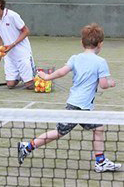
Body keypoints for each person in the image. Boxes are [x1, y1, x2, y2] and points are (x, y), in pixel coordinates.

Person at [18, 23, 122, 173]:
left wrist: (47, 77)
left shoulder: (75, 58)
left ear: (82, 43)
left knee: (98, 128)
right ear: (100, 44)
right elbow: (103, 85)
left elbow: (61, 72)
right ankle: (27, 147)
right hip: (79, 107)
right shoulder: (101, 62)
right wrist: (111, 83)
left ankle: (100, 161)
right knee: (59, 132)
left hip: (79, 105)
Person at [0, 0, 35, 89]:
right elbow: (0, 41)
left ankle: (35, 74)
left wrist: (12, 45)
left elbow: (26, 31)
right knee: (10, 85)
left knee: (30, 86)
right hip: (9, 56)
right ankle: (20, 76)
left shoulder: (12, 15)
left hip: (22, 54)